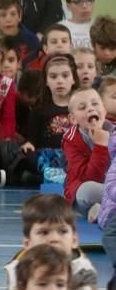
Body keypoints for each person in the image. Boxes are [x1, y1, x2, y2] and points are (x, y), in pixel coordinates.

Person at [5, 194, 100, 290]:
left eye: (62, 231)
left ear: (74, 240)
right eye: (44, 232)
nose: (54, 239)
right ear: (27, 244)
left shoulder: (83, 270)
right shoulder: (17, 268)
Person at [62, 88, 108, 220]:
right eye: (82, 107)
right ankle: (104, 208)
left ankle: (104, 210)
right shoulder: (71, 140)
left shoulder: (113, 131)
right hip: (87, 187)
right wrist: (100, 146)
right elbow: (90, 178)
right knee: (86, 191)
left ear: (104, 110)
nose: (91, 109)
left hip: (109, 187)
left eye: (95, 104)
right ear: (73, 119)